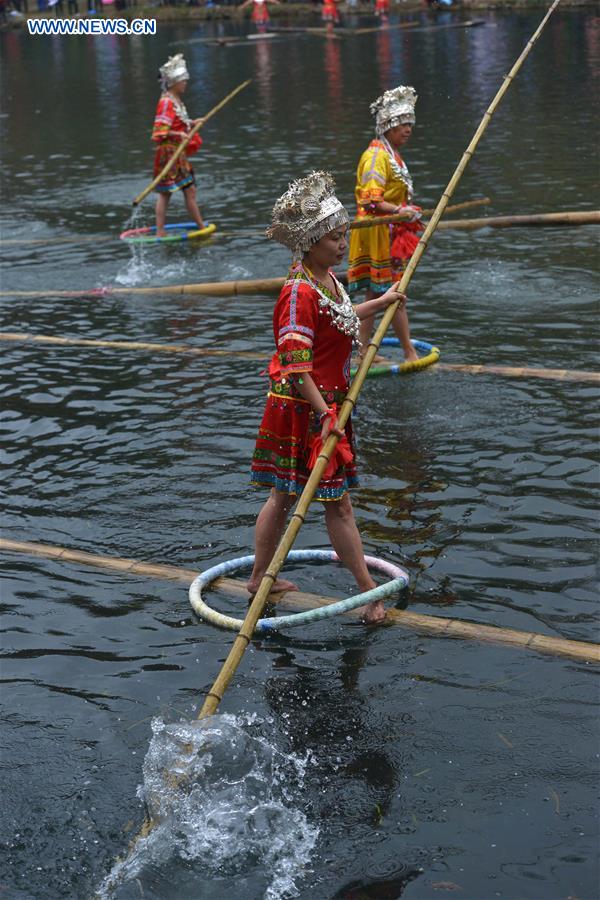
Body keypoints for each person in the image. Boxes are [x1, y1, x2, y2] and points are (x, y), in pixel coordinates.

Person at [249, 172, 407, 625]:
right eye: (336, 238)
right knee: (332, 502)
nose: (343, 245)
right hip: (305, 410)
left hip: (324, 406)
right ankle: (366, 592)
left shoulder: (328, 281)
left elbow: (339, 319)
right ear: (312, 242)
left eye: (344, 236)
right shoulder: (297, 292)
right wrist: (325, 417)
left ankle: (260, 576)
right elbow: (296, 366)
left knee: (283, 496)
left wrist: (382, 302)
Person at [347, 85, 423, 362]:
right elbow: (371, 200)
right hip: (377, 230)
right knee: (393, 291)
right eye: (403, 124)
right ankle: (409, 352)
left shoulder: (390, 155)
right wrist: (401, 210)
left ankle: (362, 348)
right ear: (388, 126)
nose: (408, 129)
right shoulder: (377, 157)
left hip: (387, 229)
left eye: (410, 124)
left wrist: (403, 211)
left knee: (377, 291)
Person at [151, 54, 205, 238]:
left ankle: (200, 226)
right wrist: (178, 134)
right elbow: (158, 132)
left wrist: (191, 123)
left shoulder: (176, 101)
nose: (185, 83)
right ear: (173, 82)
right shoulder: (166, 102)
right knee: (167, 193)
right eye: (182, 80)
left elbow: (177, 123)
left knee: (189, 190)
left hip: (178, 153)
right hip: (169, 154)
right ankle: (160, 230)